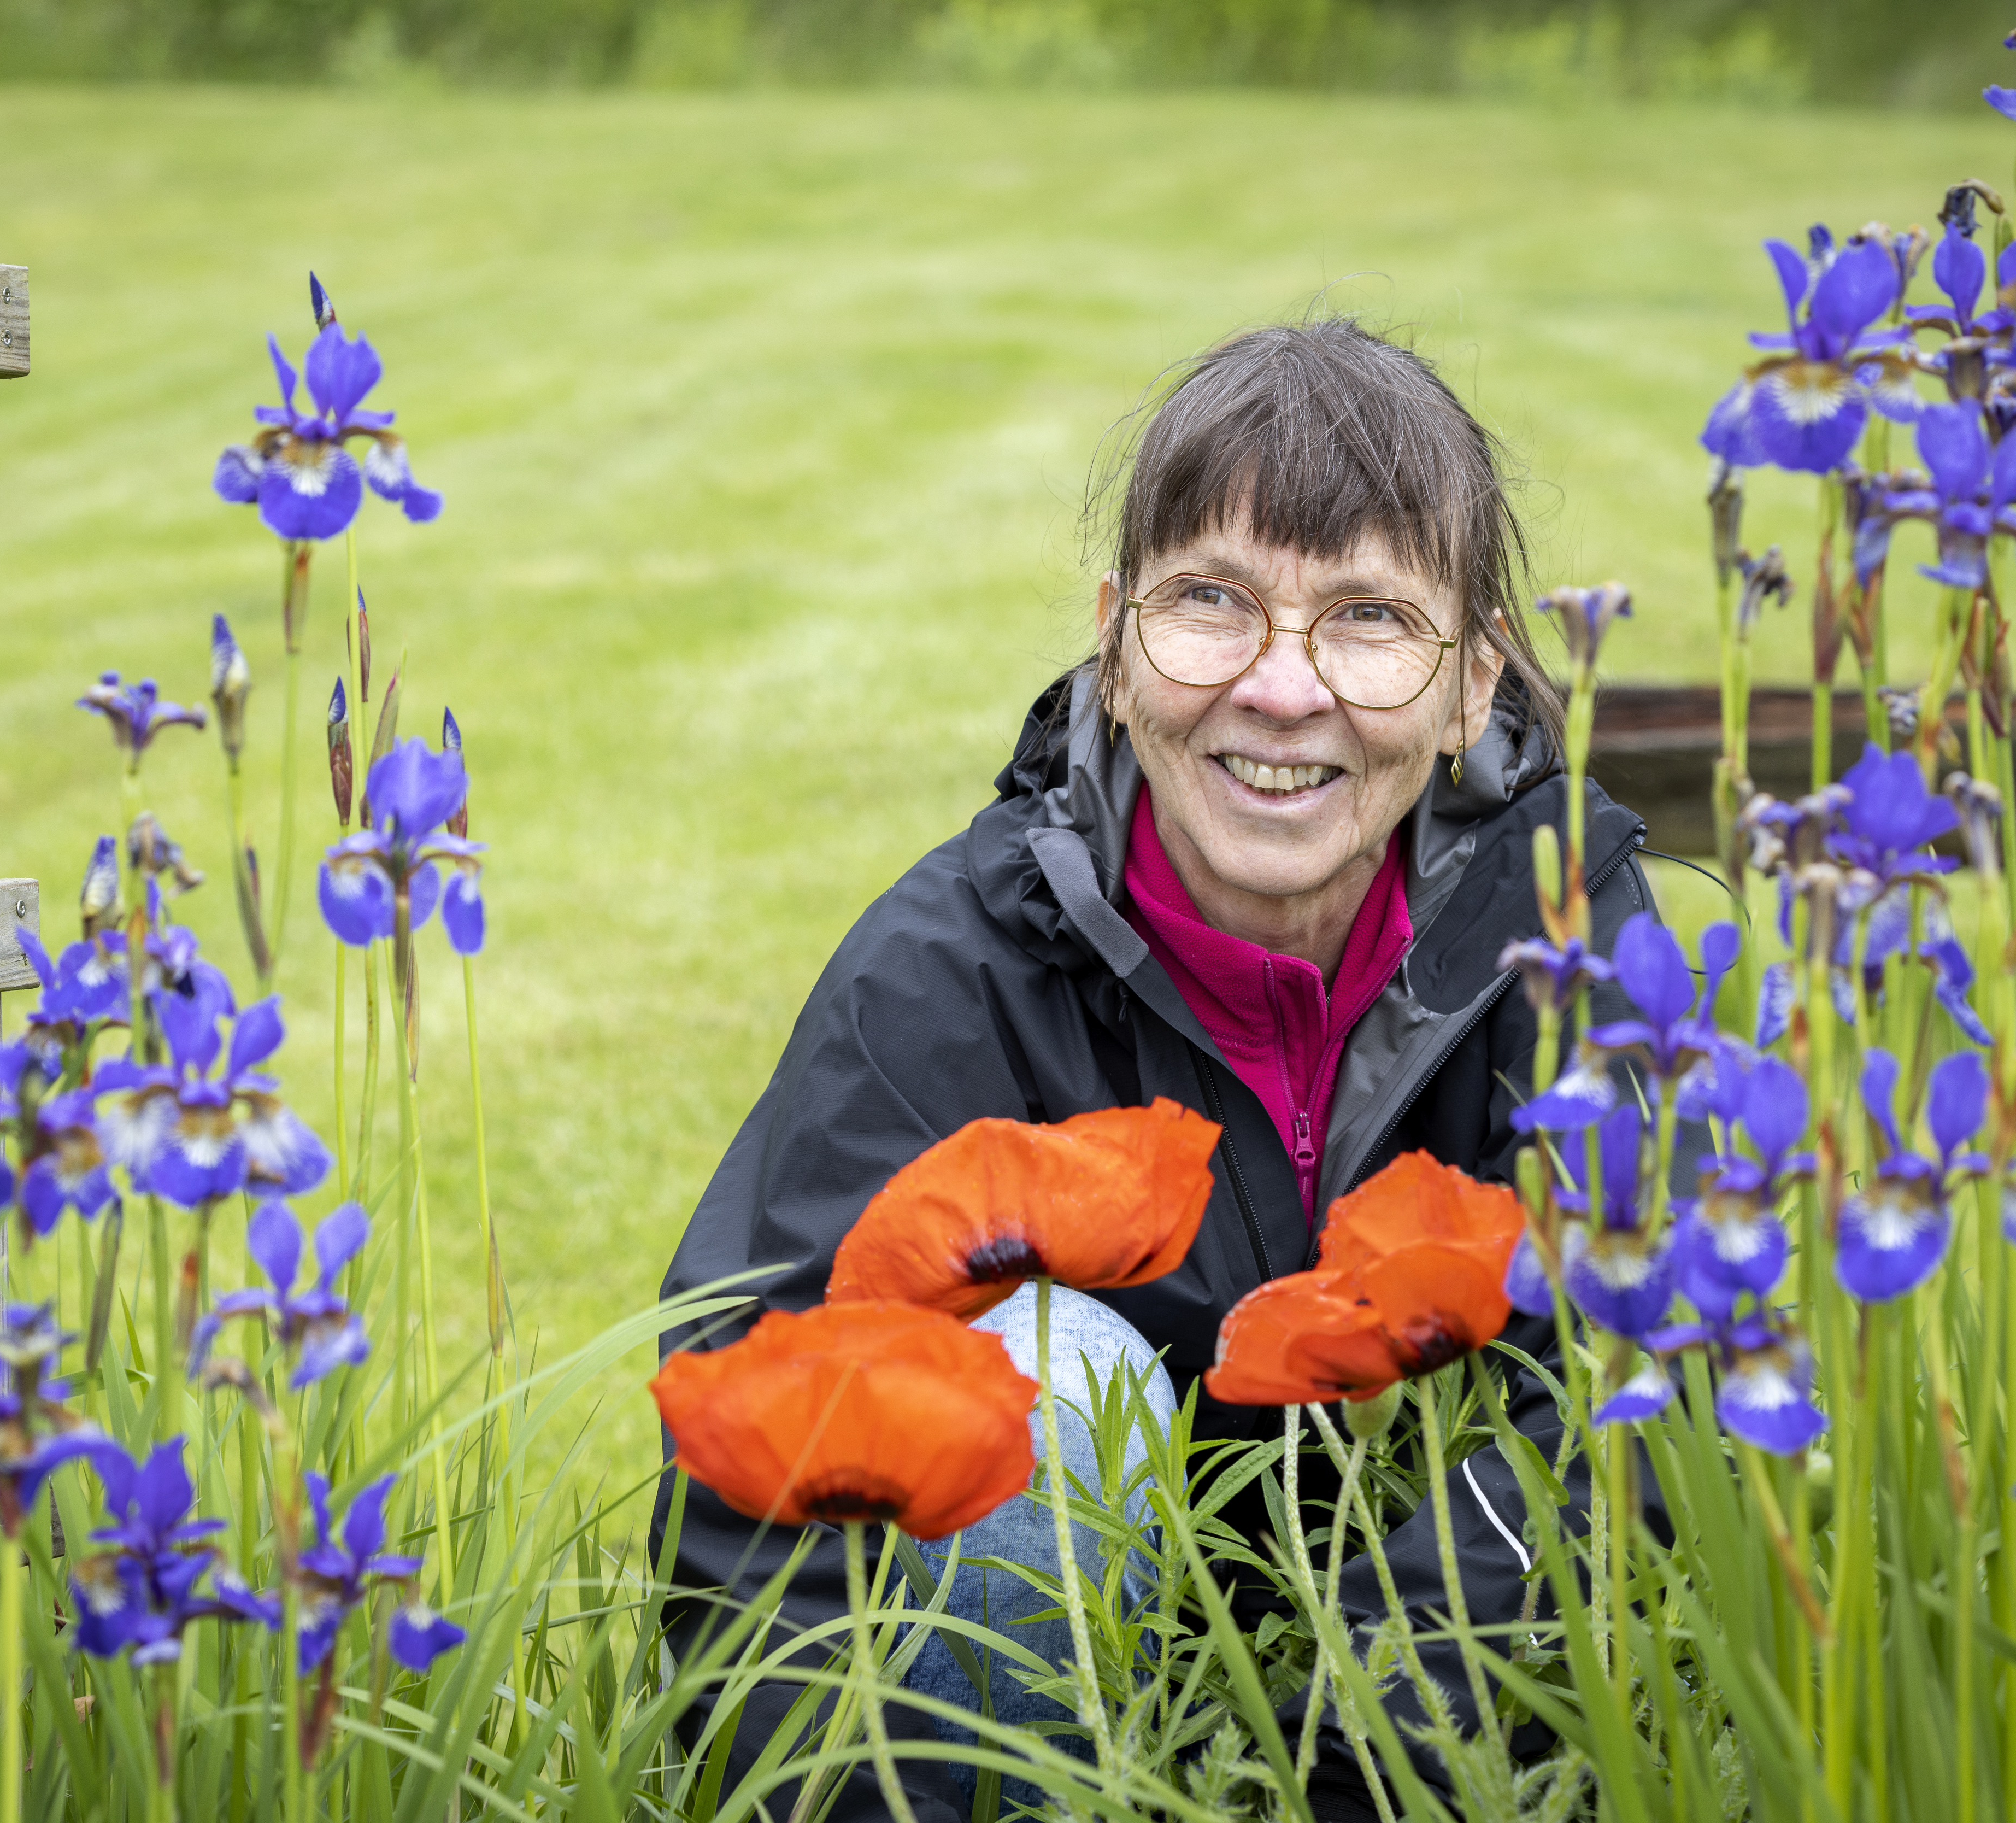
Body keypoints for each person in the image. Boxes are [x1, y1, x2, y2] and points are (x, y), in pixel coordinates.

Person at [654, 317, 1664, 1821]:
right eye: (1212, 603)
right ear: (1117, 648)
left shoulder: (1564, 928)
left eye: (1372, 620)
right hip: (1048, 1705)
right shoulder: (953, 965)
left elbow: (1652, 1371)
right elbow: (762, 1455)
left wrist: (1358, 1763)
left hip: (1420, 1735)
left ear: (1474, 686)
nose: (1279, 687)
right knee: (1043, 1380)